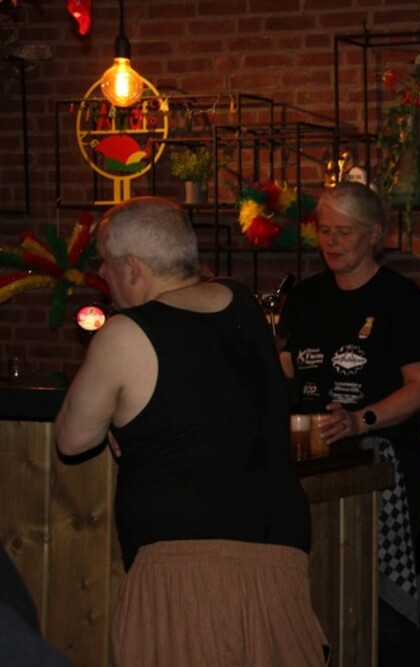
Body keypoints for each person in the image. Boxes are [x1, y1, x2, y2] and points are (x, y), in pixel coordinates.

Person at [54, 196, 327, 666]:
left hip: (185, 571)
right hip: (280, 559)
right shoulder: (242, 303)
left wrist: (121, 414)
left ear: (133, 268)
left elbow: (72, 437)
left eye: (105, 263)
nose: (102, 274)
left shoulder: (125, 332)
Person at [278, 181, 420, 667]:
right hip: (312, 463)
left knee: (379, 605)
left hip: (381, 466)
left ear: (374, 235)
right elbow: (286, 374)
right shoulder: (305, 298)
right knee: (313, 592)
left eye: (344, 232)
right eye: (325, 230)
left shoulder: (400, 299)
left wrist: (360, 421)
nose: (331, 242)